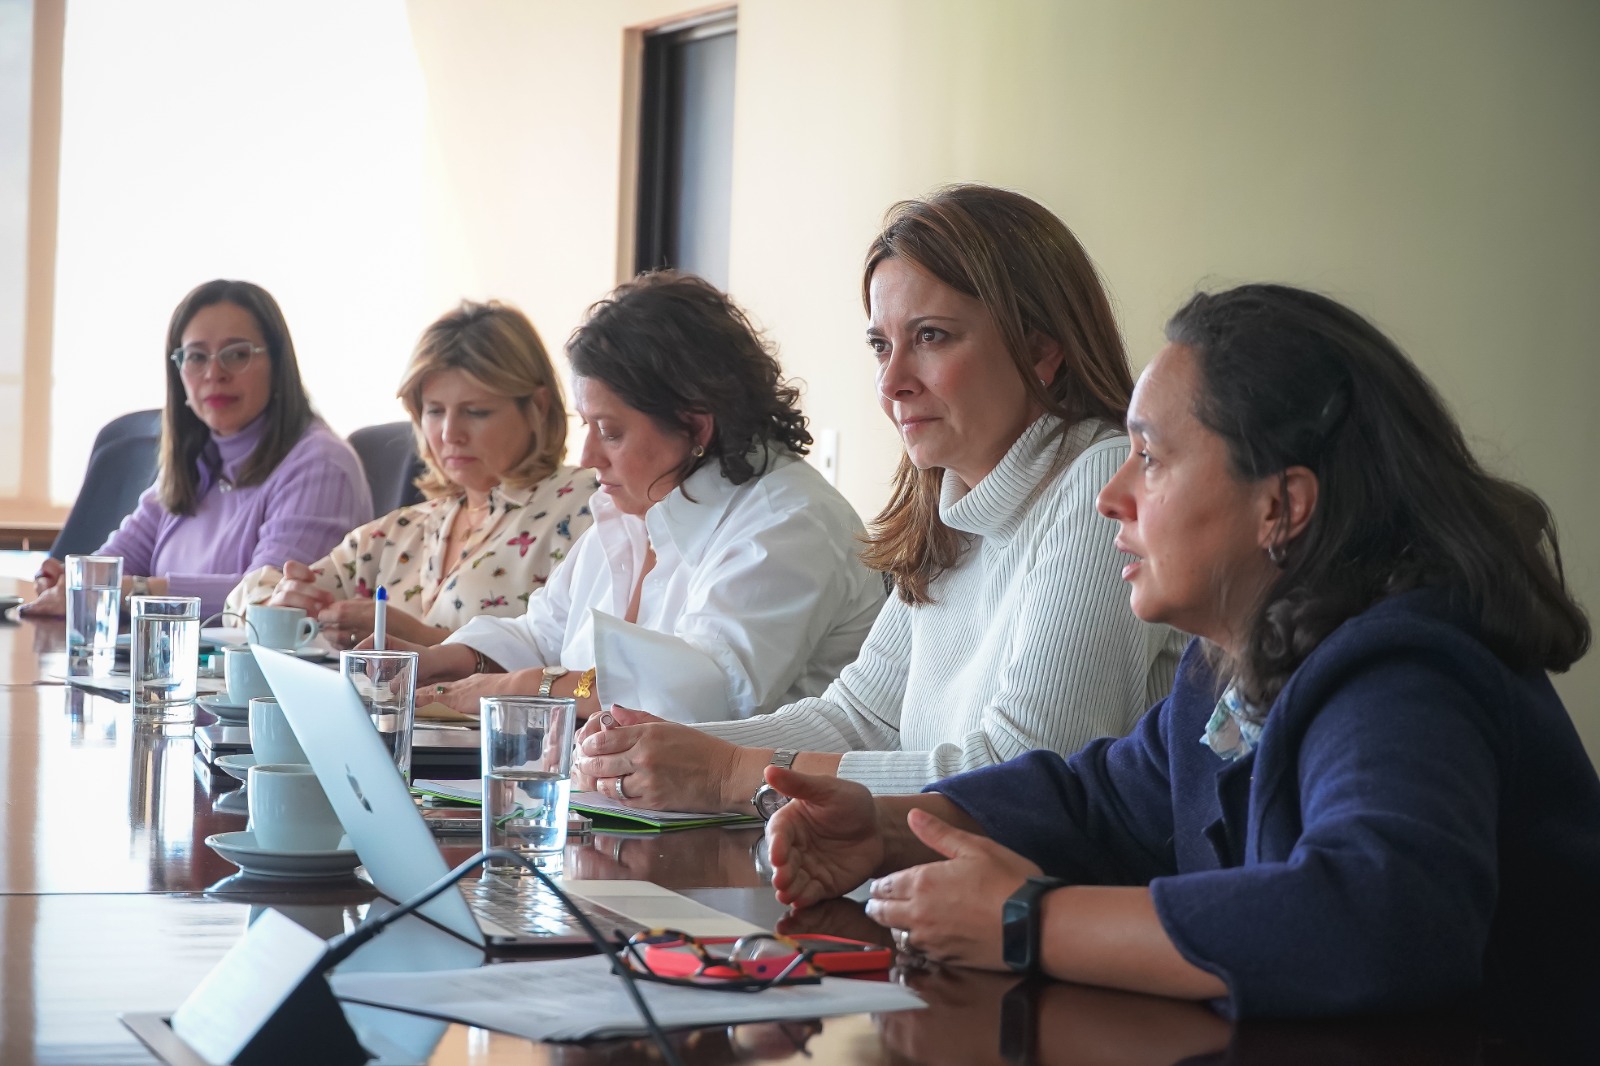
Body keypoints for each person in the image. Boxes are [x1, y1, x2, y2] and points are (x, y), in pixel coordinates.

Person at [763, 284, 1600, 1040]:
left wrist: (1029, 921)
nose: (1110, 494)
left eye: (1151, 459)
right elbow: (1103, 802)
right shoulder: (1232, 658)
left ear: (1282, 504)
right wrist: (884, 830)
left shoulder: (1404, 667)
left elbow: (1380, 918)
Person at [573, 185, 1184, 811]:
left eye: (932, 337)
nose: (892, 383)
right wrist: (667, 747)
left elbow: (1021, 773)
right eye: (880, 346)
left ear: (1039, 349)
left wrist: (735, 772)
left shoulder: (1100, 479)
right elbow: (861, 716)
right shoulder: (952, 501)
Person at [402, 270, 885, 722]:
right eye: (586, 425)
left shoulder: (789, 523)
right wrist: (441, 663)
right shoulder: (636, 506)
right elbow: (542, 633)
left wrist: (520, 687)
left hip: (748, 811)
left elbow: (698, 696)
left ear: (694, 425)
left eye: (609, 431)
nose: (587, 455)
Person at [226, 300, 595, 648]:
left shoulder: (588, 504)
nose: (450, 434)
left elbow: (586, 666)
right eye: (434, 411)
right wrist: (282, 603)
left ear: (538, 407)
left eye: (476, 411)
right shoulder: (400, 532)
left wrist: (423, 641)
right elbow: (243, 603)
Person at [24, 279, 370, 620]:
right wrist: (69, 581)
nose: (214, 373)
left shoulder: (321, 465)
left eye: (237, 355)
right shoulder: (196, 459)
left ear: (278, 367)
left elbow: (268, 602)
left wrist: (133, 592)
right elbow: (115, 565)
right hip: (166, 668)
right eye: (196, 357)